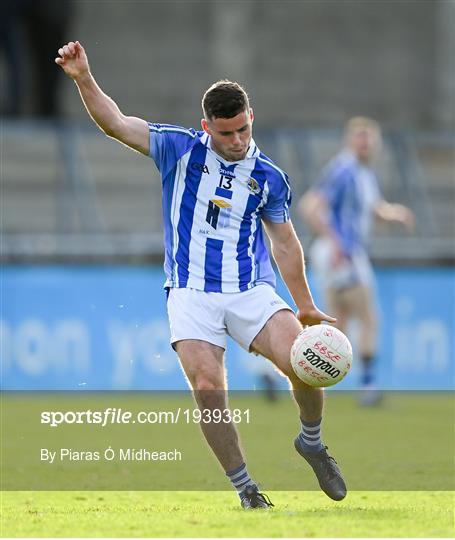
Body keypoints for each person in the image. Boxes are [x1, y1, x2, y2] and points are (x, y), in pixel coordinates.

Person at [55, 40, 347, 508]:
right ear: (207, 126)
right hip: (190, 291)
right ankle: (247, 491)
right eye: (227, 133)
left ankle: (311, 441)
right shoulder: (177, 147)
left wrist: (305, 302)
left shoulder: (269, 176)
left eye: (244, 129)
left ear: (252, 115)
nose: (237, 140)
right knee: (208, 387)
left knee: (303, 361)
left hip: (250, 289)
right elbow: (115, 122)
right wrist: (83, 77)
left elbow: (286, 242)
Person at [299, 117, 415, 405]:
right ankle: (368, 387)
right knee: (368, 318)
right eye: (361, 137)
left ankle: (282, 373)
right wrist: (336, 243)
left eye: (370, 137)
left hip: (345, 253)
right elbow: (311, 207)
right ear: (350, 140)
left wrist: (395, 214)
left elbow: (374, 208)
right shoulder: (344, 170)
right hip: (343, 254)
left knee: (336, 326)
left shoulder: (364, 174)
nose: (366, 143)